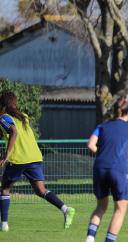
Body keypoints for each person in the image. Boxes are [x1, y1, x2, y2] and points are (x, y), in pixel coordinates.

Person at [0, 90, 75, 232]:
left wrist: (6, 155)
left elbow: (14, 132)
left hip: (18, 158)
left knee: (4, 189)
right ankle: (66, 209)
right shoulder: (24, 117)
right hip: (34, 157)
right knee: (40, 190)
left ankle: (4, 225)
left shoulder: (4, 117)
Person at [83, 96, 128, 242]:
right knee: (120, 209)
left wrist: (103, 154)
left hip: (99, 168)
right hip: (118, 170)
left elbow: (90, 144)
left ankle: (90, 238)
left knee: (101, 206)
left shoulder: (102, 126)